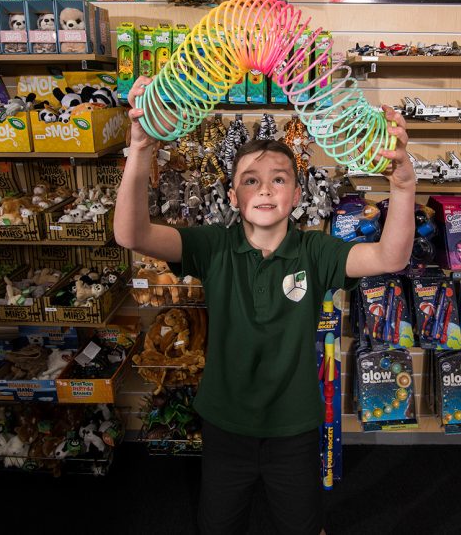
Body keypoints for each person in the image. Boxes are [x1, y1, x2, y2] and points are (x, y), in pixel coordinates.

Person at [114, 76, 415, 535]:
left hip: (293, 426)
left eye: (279, 180)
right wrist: (139, 152)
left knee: (302, 524)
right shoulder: (213, 247)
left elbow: (390, 256)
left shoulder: (316, 251)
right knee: (218, 524)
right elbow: (132, 234)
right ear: (233, 197)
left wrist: (405, 188)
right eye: (251, 181)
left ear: (297, 195)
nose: (266, 190)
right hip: (225, 424)